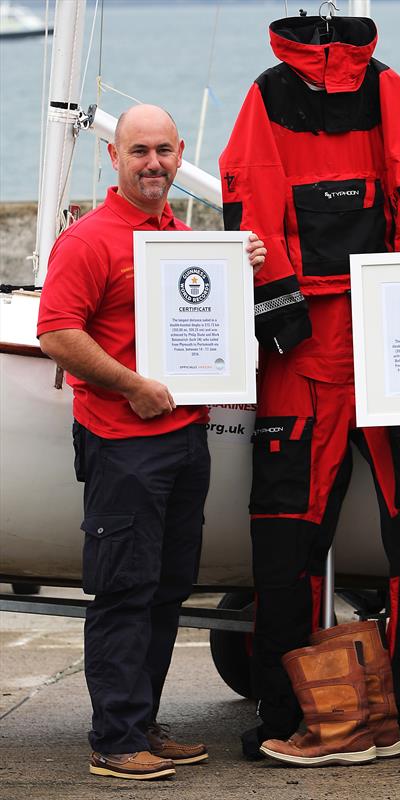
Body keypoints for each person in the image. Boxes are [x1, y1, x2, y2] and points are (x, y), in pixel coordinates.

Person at [219, 14, 400, 761]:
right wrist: (284, 302)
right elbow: (249, 193)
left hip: (374, 332)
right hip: (313, 344)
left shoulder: (385, 86)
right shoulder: (267, 96)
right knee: (289, 533)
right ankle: (284, 714)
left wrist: (394, 248)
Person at [37, 104, 266, 781]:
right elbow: (56, 333)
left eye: (164, 150)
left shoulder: (181, 237)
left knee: (167, 591)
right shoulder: (89, 240)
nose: (155, 164)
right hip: (121, 442)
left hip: (183, 440)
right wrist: (131, 385)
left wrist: (239, 262)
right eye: (139, 151)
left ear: (179, 151)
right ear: (114, 157)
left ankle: (140, 722)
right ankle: (114, 740)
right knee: (124, 592)